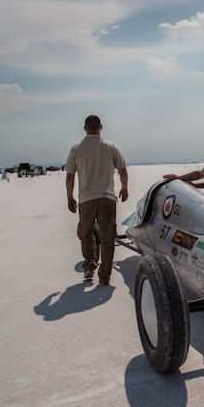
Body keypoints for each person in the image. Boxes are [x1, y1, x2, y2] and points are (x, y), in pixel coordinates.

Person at [65, 115, 128, 284]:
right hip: (107, 198)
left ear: (85, 128)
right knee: (107, 237)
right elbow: (123, 170)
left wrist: (69, 197)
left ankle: (90, 266)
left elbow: (70, 177)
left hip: (86, 199)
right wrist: (124, 188)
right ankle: (105, 275)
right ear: (101, 127)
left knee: (86, 233)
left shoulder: (76, 149)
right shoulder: (110, 147)